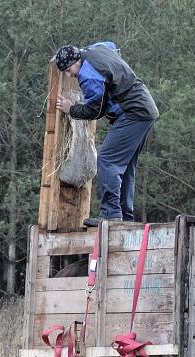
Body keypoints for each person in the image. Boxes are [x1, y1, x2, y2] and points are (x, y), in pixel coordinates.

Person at [54, 41, 158, 227]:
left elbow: (96, 110)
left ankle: (111, 216)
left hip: (132, 112)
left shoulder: (88, 75)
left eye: (70, 70)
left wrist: (72, 109)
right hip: (145, 108)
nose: (70, 75)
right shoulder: (96, 49)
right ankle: (125, 218)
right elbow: (112, 46)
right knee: (125, 167)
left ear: (76, 60)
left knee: (107, 159)